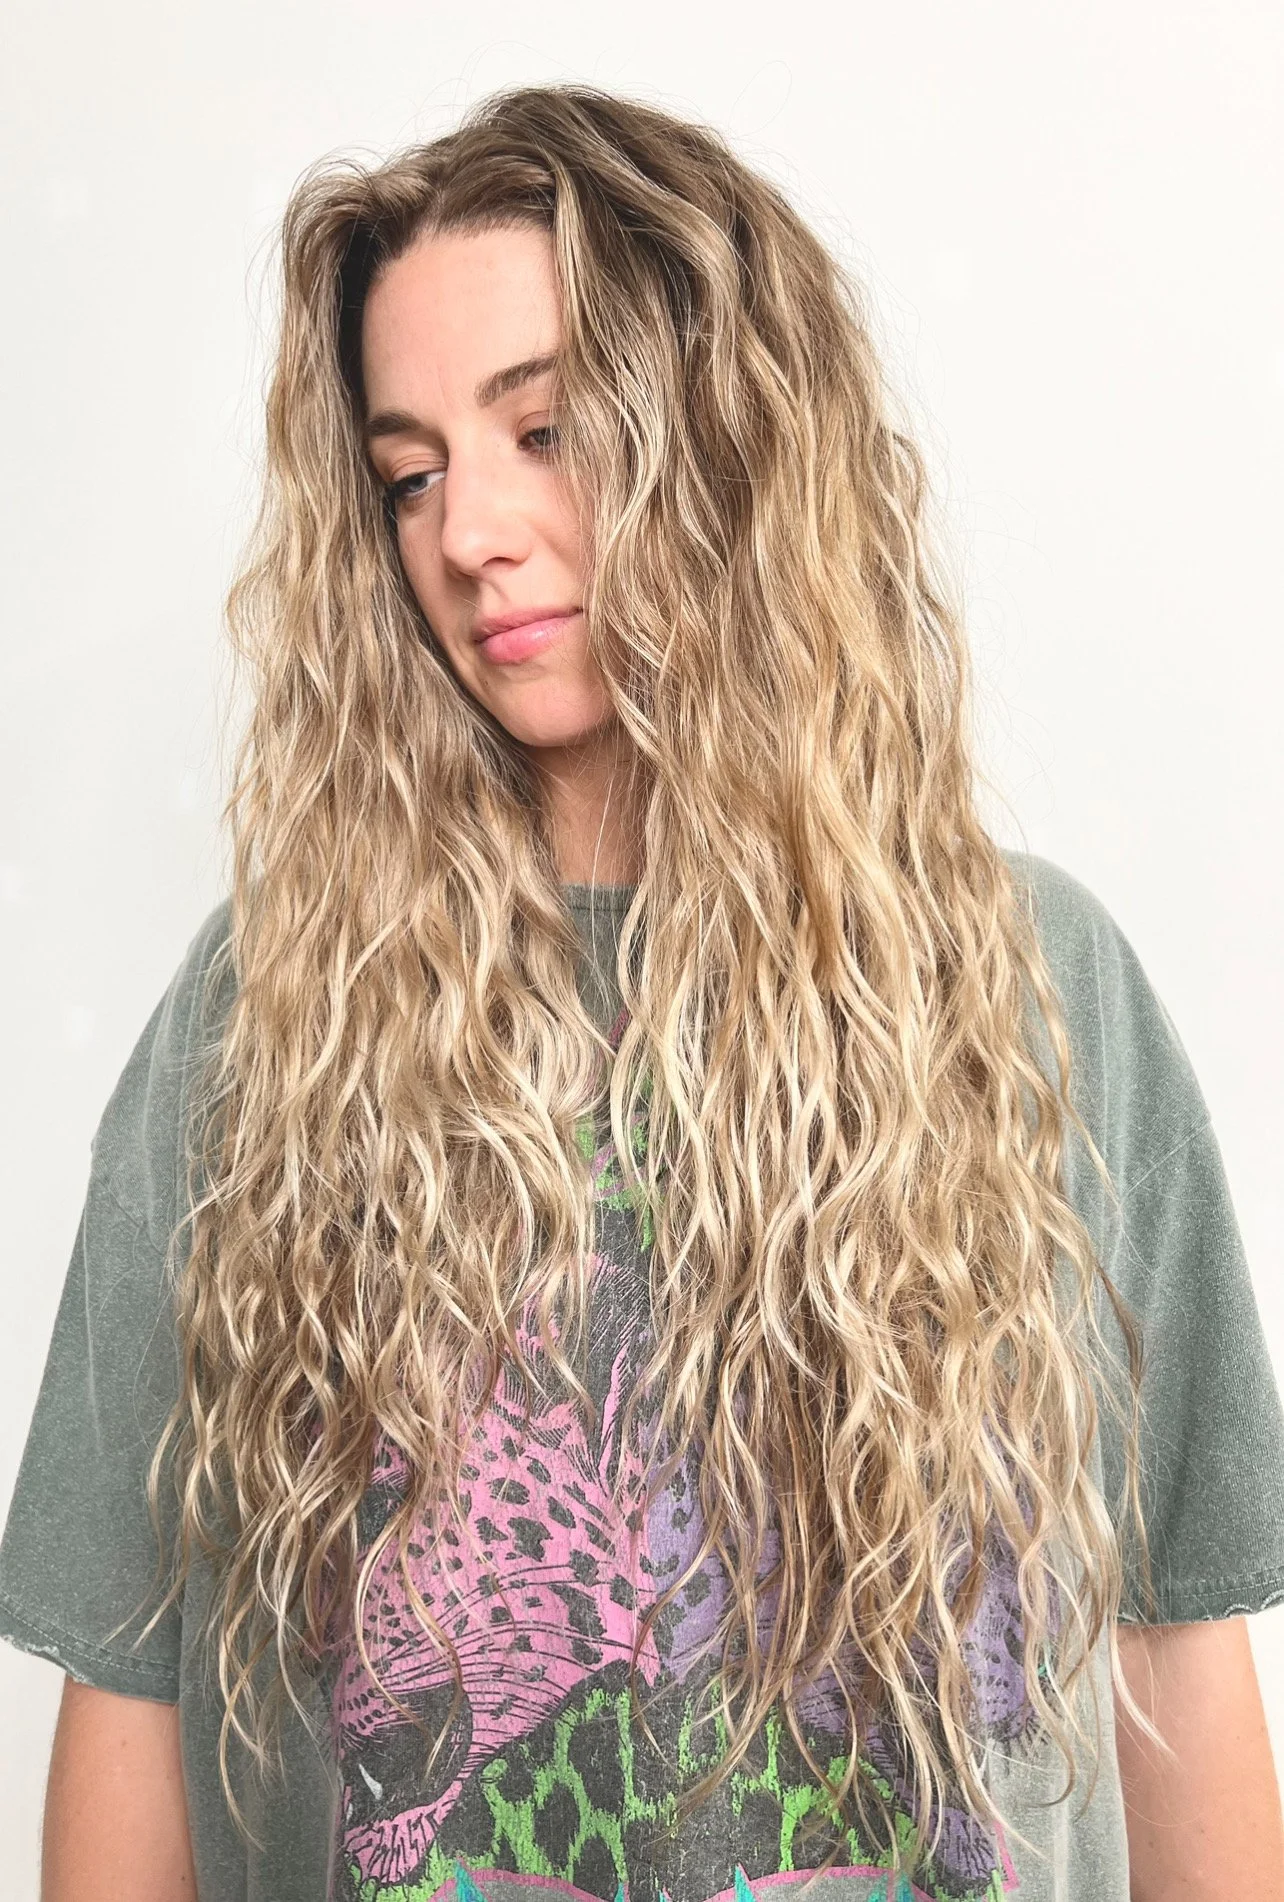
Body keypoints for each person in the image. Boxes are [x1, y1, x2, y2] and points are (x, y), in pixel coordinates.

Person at [2, 82, 1283, 1902]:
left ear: (727, 432)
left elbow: (1175, 1663)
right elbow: (133, 1697)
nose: (468, 530)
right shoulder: (267, 1012)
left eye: (544, 430)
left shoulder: (1031, 984)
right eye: (411, 471)